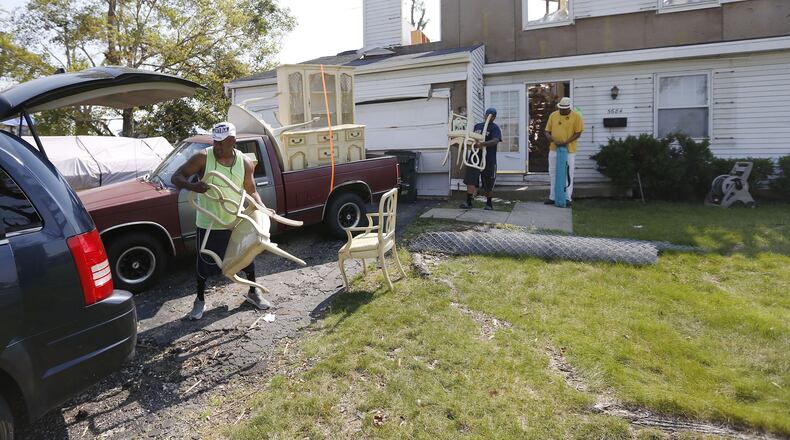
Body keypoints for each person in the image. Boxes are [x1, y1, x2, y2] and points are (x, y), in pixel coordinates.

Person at [172, 122, 271, 320]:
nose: (216, 146)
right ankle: (199, 300)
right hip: (209, 222)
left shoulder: (244, 162)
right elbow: (177, 177)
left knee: (247, 256)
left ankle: (253, 293)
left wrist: (262, 207)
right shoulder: (203, 158)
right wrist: (193, 187)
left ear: (232, 141)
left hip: (236, 221)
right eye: (215, 142)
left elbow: (251, 191)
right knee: (204, 264)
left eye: (221, 143)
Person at [544, 97, 584, 207]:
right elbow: (547, 131)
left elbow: (578, 133)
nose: (562, 110)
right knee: (553, 173)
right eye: (560, 108)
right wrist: (551, 139)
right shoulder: (553, 115)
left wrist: (566, 142)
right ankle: (553, 197)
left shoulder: (576, 117)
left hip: (569, 150)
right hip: (554, 149)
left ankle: (567, 198)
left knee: (568, 174)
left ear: (569, 108)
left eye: (564, 109)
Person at [460, 108, 502, 210]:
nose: (489, 117)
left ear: (495, 117)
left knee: (488, 181)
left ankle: (489, 204)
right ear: (484, 115)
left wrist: (482, 144)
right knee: (471, 179)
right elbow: (471, 140)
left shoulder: (495, 128)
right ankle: (468, 202)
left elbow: (495, 141)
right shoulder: (477, 126)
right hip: (475, 157)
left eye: (492, 116)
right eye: (487, 114)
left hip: (489, 158)